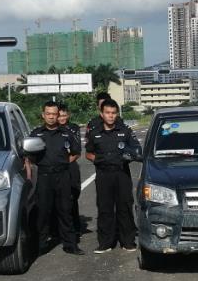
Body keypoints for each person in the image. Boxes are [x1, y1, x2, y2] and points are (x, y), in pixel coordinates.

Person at [86, 98, 141, 253]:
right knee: (105, 208)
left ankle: (128, 241)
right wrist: (98, 159)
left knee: (125, 207)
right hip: (103, 174)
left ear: (117, 114)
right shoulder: (95, 132)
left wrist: (130, 155)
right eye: (107, 113)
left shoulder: (125, 131)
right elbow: (88, 153)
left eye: (113, 113)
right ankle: (105, 243)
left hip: (121, 173)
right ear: (101, 114)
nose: (110, 116)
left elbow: (136, 149)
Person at [30, 101, 84, 255]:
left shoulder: (66, 133)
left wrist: (63, 163)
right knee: (43, 211)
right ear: (43, 115)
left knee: (65, 210)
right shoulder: (36, 134)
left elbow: (76, 152)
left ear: (58, 115)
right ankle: (40, 245)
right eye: (48, 114)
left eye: (54, 114)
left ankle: (70, 245)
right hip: (44, 176)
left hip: (62, 176)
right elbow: (29, 155)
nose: (51, 117)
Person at [57, 103, 87, 236]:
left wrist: (64, 162)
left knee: (72, 196)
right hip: (55, 167)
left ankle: (75, 226)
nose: (62, 118)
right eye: (59, 116)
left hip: (70, 165)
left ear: (68, 115)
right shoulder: (50, 129)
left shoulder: (73, 128)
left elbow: (76, 151)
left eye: (64, 115)